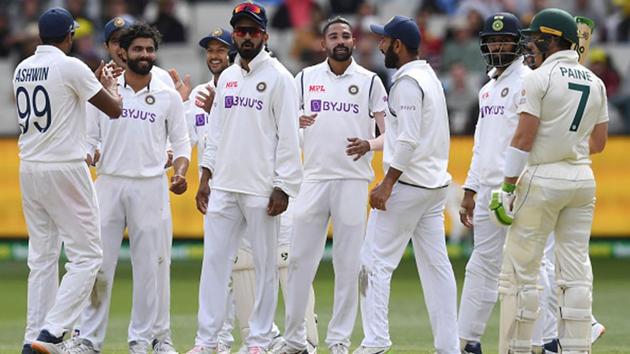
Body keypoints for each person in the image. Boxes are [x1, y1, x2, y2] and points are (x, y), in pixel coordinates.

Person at [489, 8, 608, 354]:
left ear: (551, 39)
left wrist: (508, 186)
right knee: (575, 273)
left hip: (542, 178)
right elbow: (598, 144)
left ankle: (518, 348)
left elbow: (523, 138)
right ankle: (575, 348)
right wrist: (566, 143)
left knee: (519, 273)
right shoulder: (595, 82)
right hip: (582, 180)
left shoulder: (536, 79)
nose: (530, 46)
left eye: (535, 39)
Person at [69, 22, 190, 354]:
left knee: (150, 267)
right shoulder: (104, 89)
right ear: (125, 51)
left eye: (150, 50)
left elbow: (182, 144)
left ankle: (142, 340)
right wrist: (89, 155)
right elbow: (88, 138)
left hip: (150, 186)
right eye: (138, 49)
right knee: (98, 266)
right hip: (108, 184)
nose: (145, 55)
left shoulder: (167, 94)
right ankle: (88, 341)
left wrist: (180, 172)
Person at [189, 2, 302, 354]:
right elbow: (217, 131)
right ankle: (207, 340)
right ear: (234, 35)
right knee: (214, 265)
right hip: (224, 185)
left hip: (261, 188)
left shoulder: (280, 78)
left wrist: (283, 187)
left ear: (265, 36)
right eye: (240, 31)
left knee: (266, 267)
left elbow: (289, 137)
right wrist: (206, 176)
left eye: (253, 31)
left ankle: (258, 340)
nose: (247, 36)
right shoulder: (229, 78)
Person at [16, 7, 121, 354]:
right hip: (64, 166)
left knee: (42, 257)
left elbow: (65, 97)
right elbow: (114, 109)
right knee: (88, 255)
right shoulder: (71, 66)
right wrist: (107, 84)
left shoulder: (22, 68)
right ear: (69, 36)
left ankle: (32, 337)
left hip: (29, 166)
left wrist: (90, 81)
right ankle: (52, 332)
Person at [280, 16, 387, 354]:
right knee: (298, 261)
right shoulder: (304, 78)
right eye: (333, 36)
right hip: (311, 179)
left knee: (347, 265)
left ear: (353, 42)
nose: (340, 40)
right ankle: (295, 338)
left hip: (352, 181)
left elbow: (390, 134)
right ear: (322, 43)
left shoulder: (371, 81)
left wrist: (369, 145)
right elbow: (284, 127)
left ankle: (339, 341)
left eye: (345, 35)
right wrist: (294, 122)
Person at [353, 16, 459, 354]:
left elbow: (409, 140)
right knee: (436, 268)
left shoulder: (406, 84)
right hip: (432, 187)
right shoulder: (427, 77)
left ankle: (375, 342)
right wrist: (369, 145)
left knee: (373, 262)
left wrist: (386, 183)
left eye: (384, 40)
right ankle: (449, 347)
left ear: (397, 45)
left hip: (408, 187)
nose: (379, 45)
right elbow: (408, 135)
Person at [457, 12, 552, 354]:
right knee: (482, 264)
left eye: (505, 40)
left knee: (528, 267)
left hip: (517, 189)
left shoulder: (530, 81)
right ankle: (467, 341)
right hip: (485, 190)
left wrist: (517, 185)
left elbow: (529, 139)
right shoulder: (486, 90)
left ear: (518, 43)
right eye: (492, 40)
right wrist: (469, 189)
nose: (498, 45)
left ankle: (543, 340)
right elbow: (481, 143)